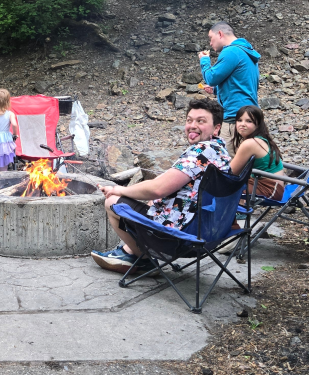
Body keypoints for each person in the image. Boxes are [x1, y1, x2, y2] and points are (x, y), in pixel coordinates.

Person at [91, 98, 232, 274]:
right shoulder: (220, 152)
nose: (192, 125)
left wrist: (118, 189)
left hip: (182, 236)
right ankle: (128, 253)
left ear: (216, 128)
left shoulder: (201, 152)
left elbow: (158, 188)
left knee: (112, 201)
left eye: (201, 121)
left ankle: (141, 258)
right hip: (210, 232)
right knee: (151, 202)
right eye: (189, 120)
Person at [198, 22, 260, 148]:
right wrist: (216, 90)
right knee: (246, 159)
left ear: (220, 34)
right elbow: (241, 83)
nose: (210, 43)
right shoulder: (246, 51)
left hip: (234, 116)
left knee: (228, 161)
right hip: (250, 114)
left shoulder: (231, 51)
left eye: (211, 38)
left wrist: (204, 61)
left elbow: (211, 78)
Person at [230, 104, 285, 200]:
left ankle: (238, 213)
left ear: (258, 124)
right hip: (274, 186)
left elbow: (231, 172)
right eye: (239, 120)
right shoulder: (261, 139)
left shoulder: (250, 143)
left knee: (222, 188)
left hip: (270, 188)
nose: (242, 124)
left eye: (249, 121)